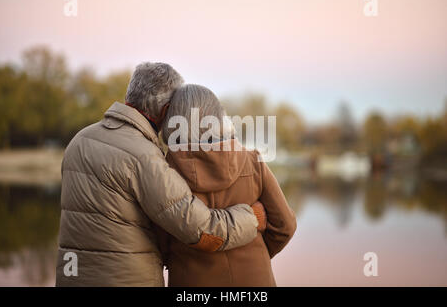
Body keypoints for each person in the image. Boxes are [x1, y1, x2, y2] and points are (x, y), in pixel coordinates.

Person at [55, 63, 266, 286]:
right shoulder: (143, 155)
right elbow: (202, 231)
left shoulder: (80, 140)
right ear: (167, 111)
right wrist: (252, 218)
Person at [157, 84, 297, 287]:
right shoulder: (253, 161)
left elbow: (159, 242)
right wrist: (257, 252)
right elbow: (285, 226)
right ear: (218, 117)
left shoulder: (164, 172)